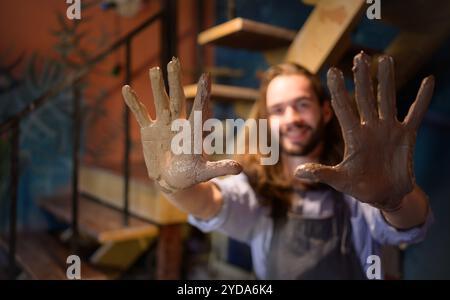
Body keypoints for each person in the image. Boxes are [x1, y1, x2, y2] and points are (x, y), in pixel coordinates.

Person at [122, 52, 434, 279]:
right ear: (268, 121)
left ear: (325, 111)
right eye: (278, 110)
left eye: (302, 105)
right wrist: (173, 186)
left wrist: (394, 199)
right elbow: (208, 203)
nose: (292, 119)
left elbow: (410, 227)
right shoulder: (255, 189)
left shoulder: (361, 181)